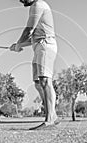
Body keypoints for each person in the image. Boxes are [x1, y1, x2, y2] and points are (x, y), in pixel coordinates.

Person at [10, 0, 59, 130]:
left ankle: (49, 120)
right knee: (38, 83)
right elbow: (32, 38)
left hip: (45, 46)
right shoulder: (34, 6)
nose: (20, 0)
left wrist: (19, 43)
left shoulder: (38, 5)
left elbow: (29, 30)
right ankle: (53, 116)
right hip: (38, 46)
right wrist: (17, 45)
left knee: (45, 81)